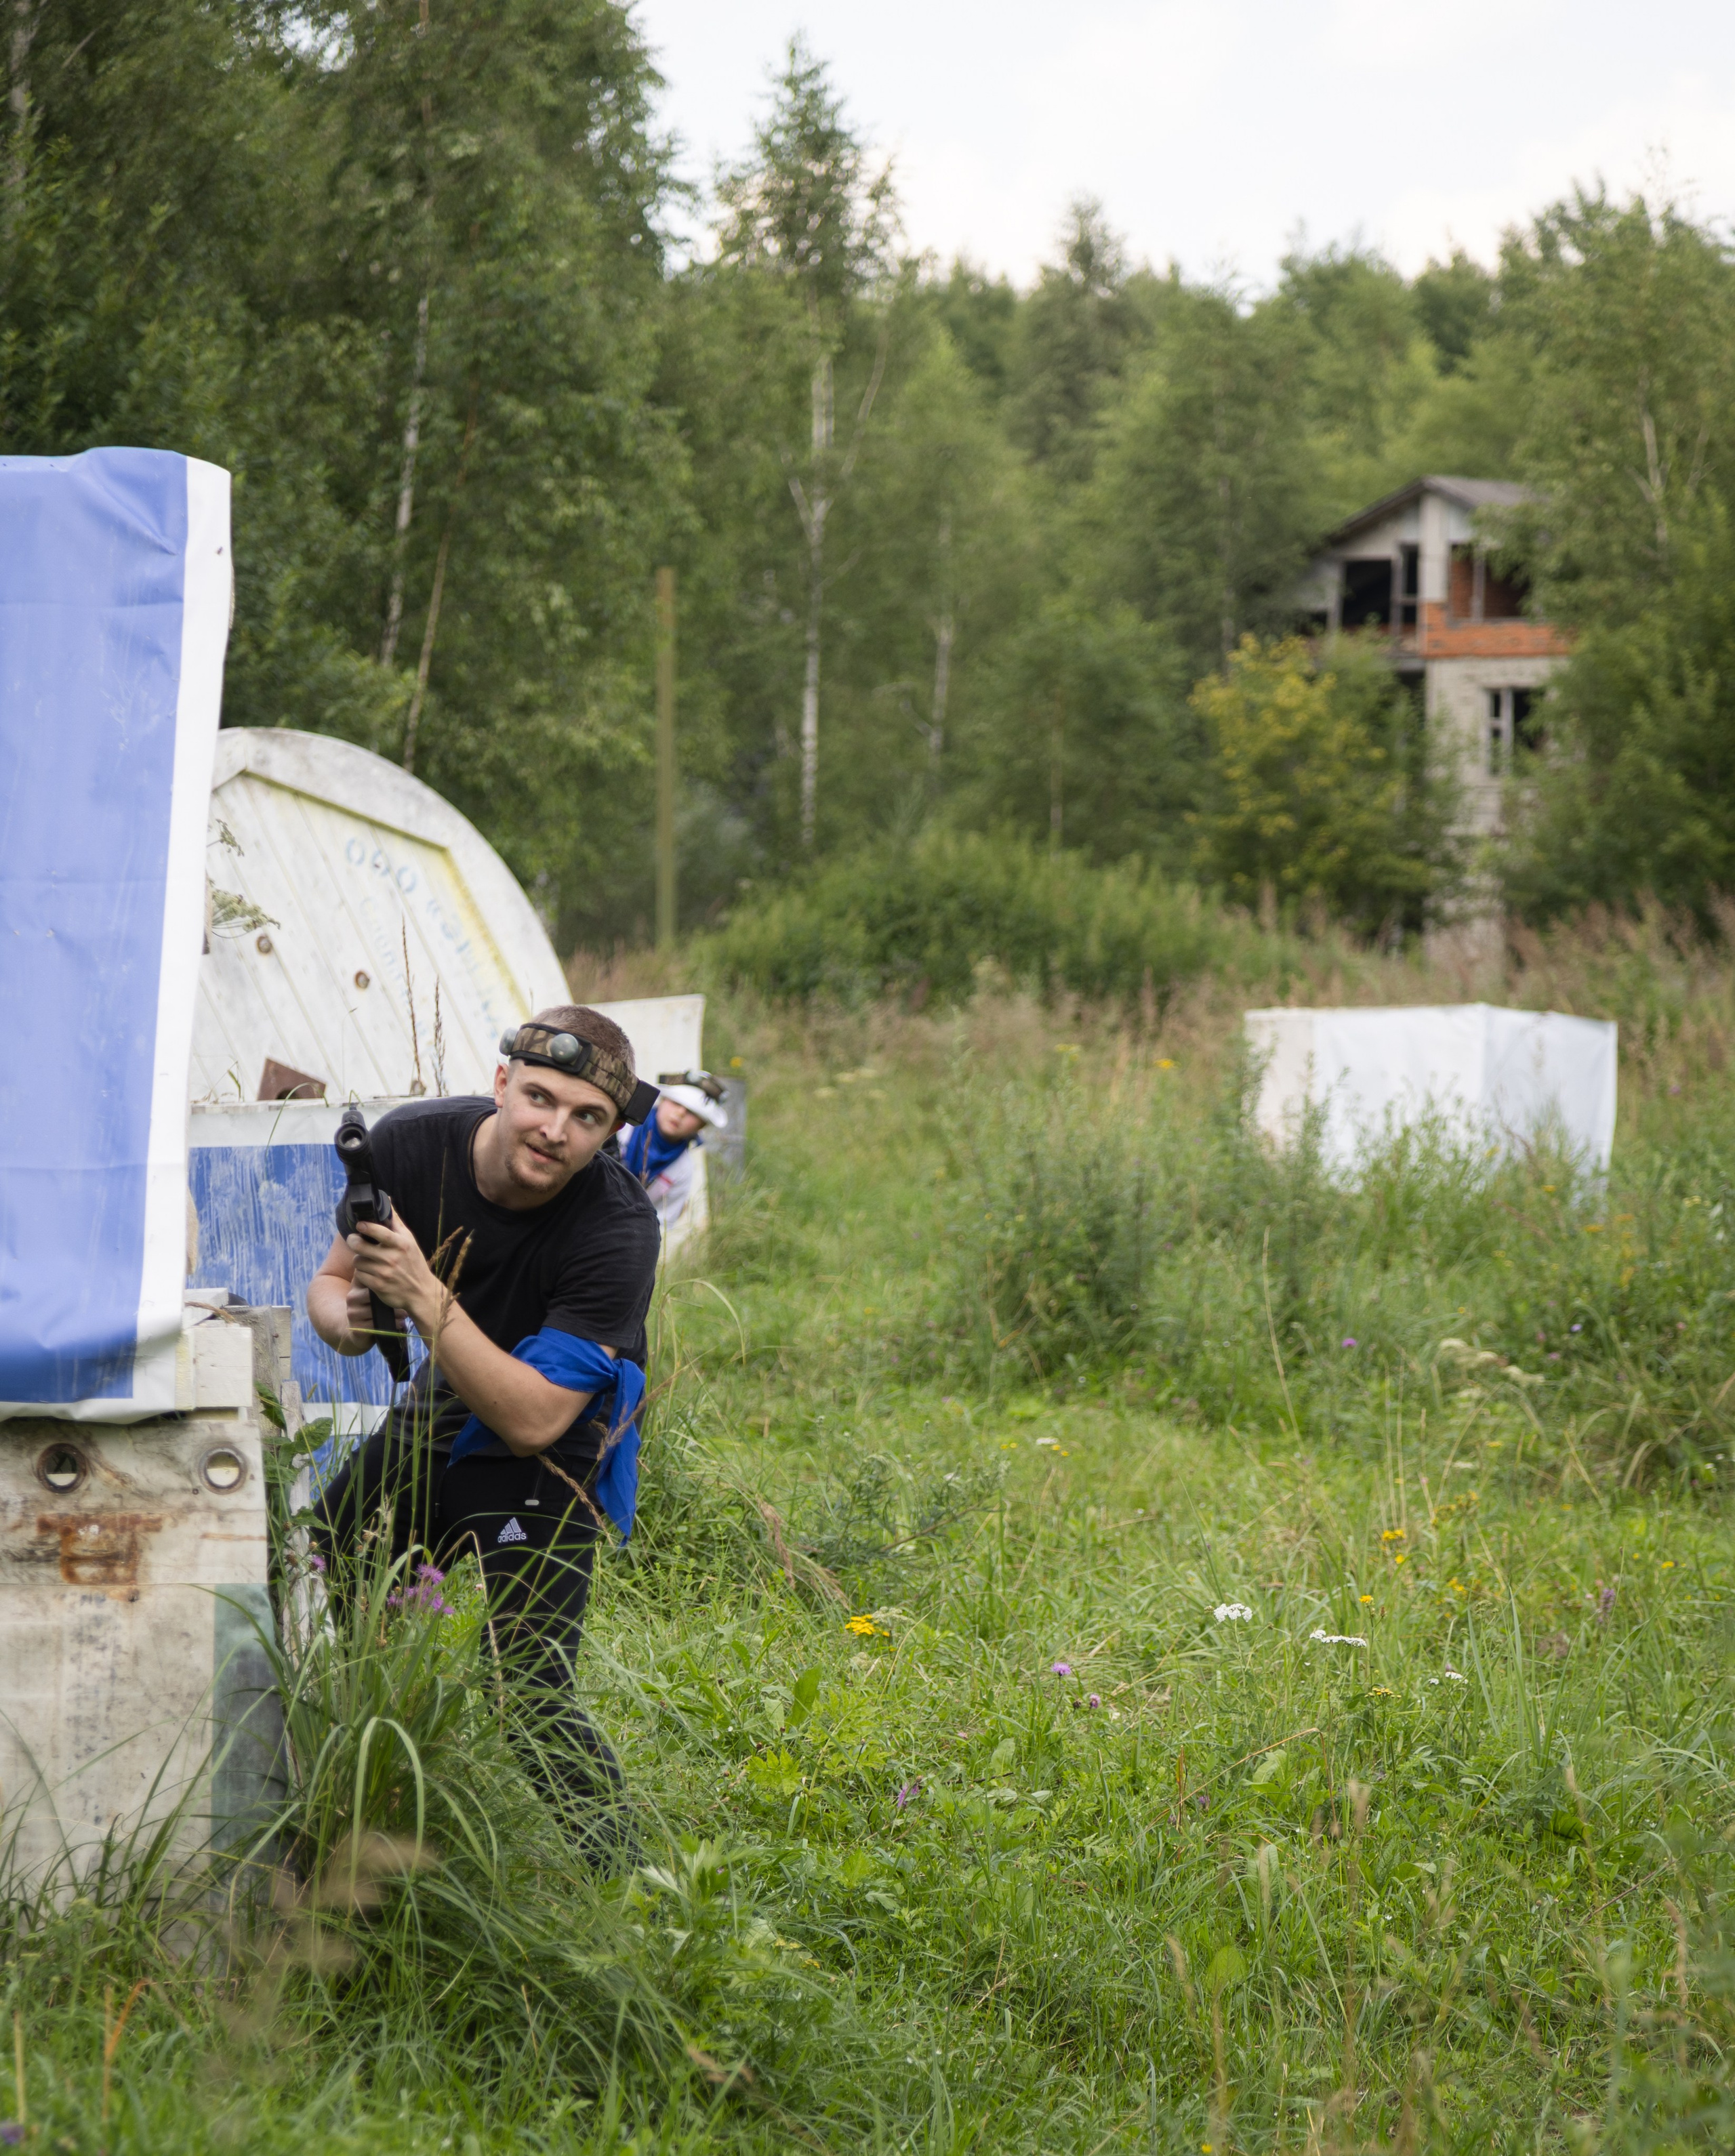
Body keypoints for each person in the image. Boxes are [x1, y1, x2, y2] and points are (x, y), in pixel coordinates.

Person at [306, 1004, 661, 1851]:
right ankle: (361, 1811)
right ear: (501, 1083)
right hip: (441, 1405)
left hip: (561, 1433)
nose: (554, 1131)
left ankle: (633, 1894)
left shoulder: (617, 1224)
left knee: (528, 1692)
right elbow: (330, 1283)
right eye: (539, 1097)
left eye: (588, 1118)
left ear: (609, 1132)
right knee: (327, 1569)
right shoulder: (410, 1146)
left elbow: (537, 1416)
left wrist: (427, 1298)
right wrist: (353, 1321)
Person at [619, 1071, 727, 1237]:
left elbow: (657, 1223)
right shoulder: (622, 1126)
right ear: (662, 1101)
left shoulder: (683, 1170)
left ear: (701, 1126)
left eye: (692, 1112)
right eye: (676, 1103)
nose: (680, 1113)